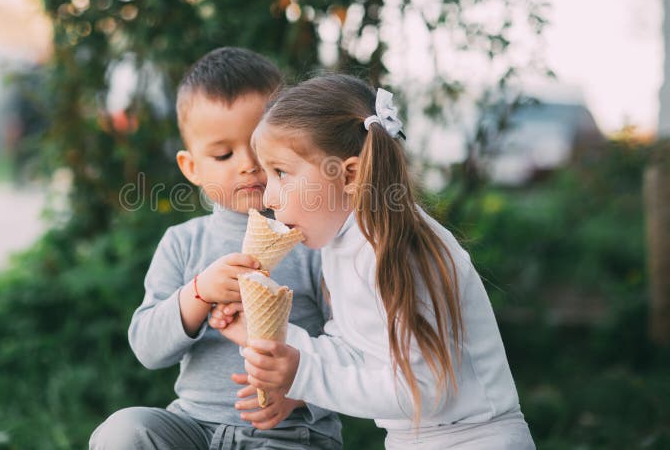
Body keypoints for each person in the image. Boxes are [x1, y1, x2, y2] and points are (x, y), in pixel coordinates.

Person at [214, 74, 535, 449]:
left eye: (281, 172)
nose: (268, 197)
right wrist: (270, 339)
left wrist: (304, 375)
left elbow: (427, 390)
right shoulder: (343, 246)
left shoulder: (400, 249)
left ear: (349, 174)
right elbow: (357, 351)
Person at [89, 48, 342, 450]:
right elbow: (149, 349)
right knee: (125, 431)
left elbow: (350, 346)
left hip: (287, 431)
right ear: (191, 168)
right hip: (194, 427)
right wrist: (198, 293)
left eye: (260, 146)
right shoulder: (183, 243)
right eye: (223, 154)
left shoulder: (315, 240)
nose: (247, 164)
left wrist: (298, 393)